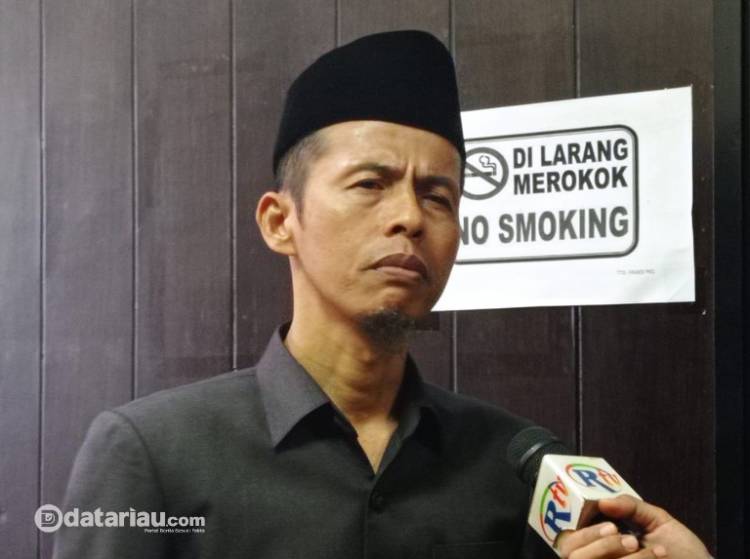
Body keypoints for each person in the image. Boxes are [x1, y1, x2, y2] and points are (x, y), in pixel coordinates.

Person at [53, 30, 712, 559]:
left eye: (438, 196)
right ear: (280, 221)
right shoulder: (150, 452)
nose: (410, 218)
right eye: (370, 184)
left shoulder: (516, 461)